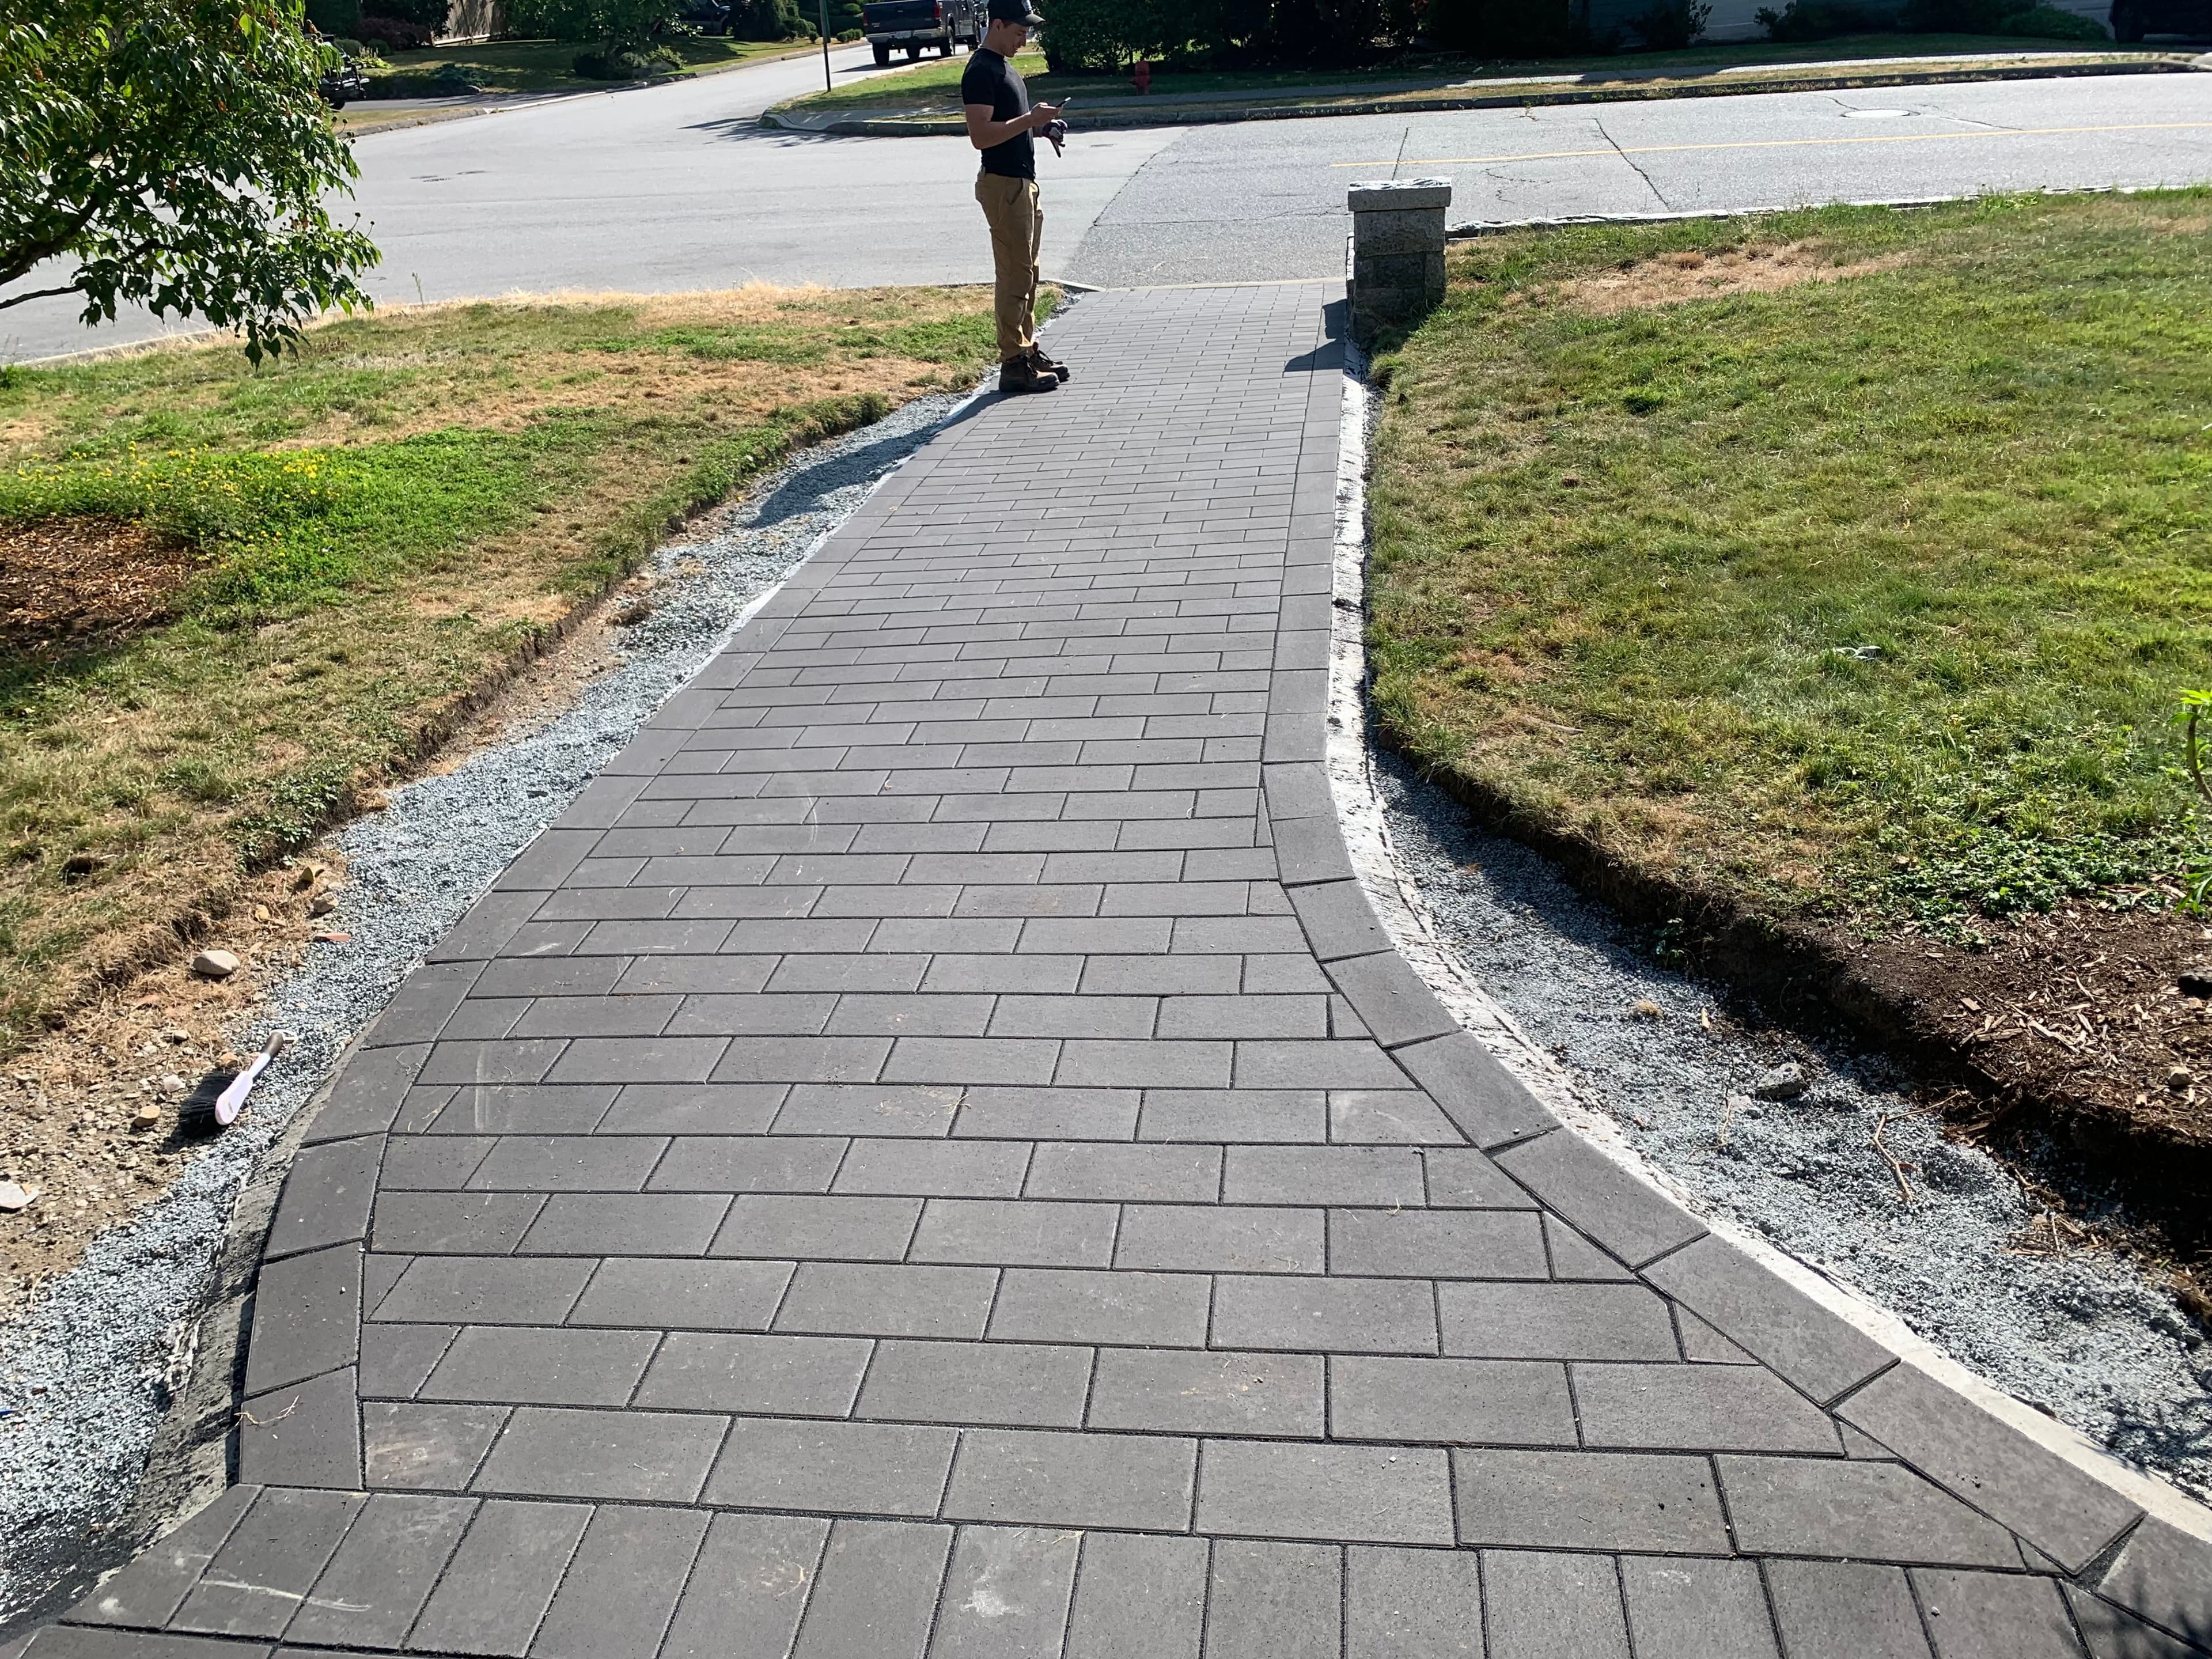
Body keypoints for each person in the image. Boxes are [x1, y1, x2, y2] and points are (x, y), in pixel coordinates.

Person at [961, 0, 1069, 395]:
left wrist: (1042, 129)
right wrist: (1030, 119)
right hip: (1003, 185)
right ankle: (1013, 364)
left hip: (1022, 183)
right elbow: (981, 136)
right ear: (998, 24)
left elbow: (1008, 126)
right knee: (1013, 274)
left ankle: (1026, 350)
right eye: (1019, 31)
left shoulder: (1005, 68)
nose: (1024, 39)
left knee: (1027, 272)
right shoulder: (981, 70)